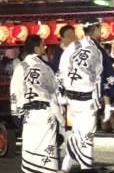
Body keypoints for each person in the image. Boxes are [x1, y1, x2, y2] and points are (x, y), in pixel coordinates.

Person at [11, 34, 62, 173]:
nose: (44, 47)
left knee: (30, 148)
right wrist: (60, 114)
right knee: (48, 150)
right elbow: (56, 92)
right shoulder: (47, 68)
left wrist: (17, 115)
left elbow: (15, 92)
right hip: (47, 113)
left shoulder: (21, 67)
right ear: (36, 48)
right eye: (42, 45)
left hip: (30, 114)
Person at [57, 21, 103, 172]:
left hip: (72, 99)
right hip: (83, 99)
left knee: (78, 133)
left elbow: (59, 75)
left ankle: (66, 167)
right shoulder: (93, 49)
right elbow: (99, 75)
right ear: (96, 29)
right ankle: (85, 168)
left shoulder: (69, 50)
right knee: (85, 134)